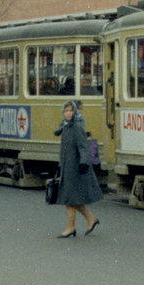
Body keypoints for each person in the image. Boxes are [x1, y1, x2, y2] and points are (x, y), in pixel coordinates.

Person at [54, 100, 102, 237]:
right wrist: (60, 165)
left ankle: (71, 227)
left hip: (76, 168)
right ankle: (90, 219)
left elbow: (83, 146)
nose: (68, 113)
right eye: (66, 111)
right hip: (67, 167)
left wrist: (84, 163)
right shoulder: (66, 126)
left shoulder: (76, 126)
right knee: (72, 198)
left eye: (71, 111)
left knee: (70, 198)